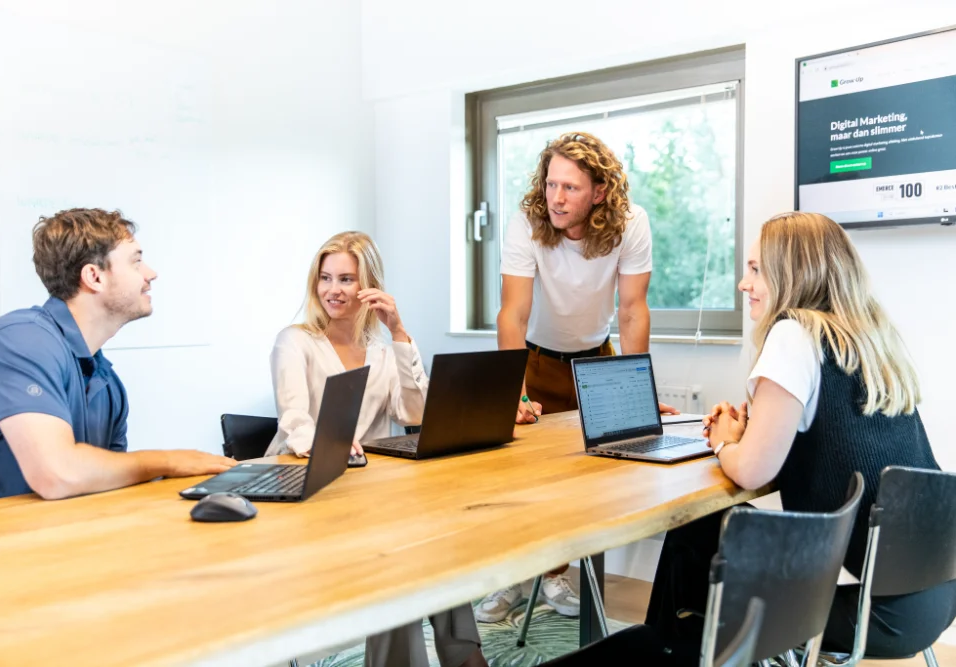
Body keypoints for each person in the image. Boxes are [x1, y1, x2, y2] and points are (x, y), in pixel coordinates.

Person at [546, 212, 956, 665]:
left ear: (793, 273)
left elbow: (754, 469)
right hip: (934, 593)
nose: (744, 283)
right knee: (708, 530)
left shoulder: (795, 334)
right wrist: (750, 433)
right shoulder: (869, 338)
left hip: (878, 611)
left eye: (757, 269)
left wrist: (724, 442)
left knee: (700, 529)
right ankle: (673, 645)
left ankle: (666, 646)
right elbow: (827, 437)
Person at [477, 131, 676, 623]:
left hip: (597, 362)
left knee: (585, 483)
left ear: (600, 193)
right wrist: (513, 393)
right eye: (550, 185)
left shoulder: (632, 224)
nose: (556, 198)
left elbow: (632, 311)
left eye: (570, 188)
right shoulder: (528, 222)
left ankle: (554, 577)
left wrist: (639, 394)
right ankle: (511, 581)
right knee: (522, 480)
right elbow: (512, 314)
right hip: (535, 360)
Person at [264, 231, 487, 667]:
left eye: (346, 279)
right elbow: (294, 421)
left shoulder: (383, 351)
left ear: (369, 286)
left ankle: (463, 656)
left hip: (368, 491)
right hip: (306, 489)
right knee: (398, 558)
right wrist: (328, 441)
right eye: (325, 278)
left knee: (437, 540)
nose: (333, 290)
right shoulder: (295, 341)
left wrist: (400, 332)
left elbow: (415, 410)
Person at [0, 208, 236, 506]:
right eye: (136, 261)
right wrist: (168, 461)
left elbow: (109, 488)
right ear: (94, 276)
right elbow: (57, 474)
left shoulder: (106, 381)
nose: (150, 273)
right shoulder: (17, 341)